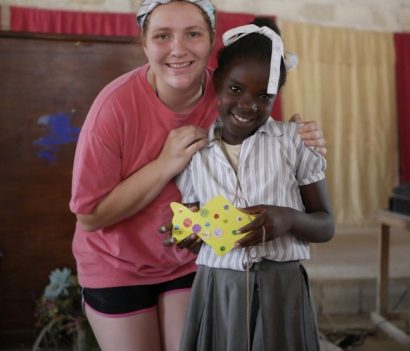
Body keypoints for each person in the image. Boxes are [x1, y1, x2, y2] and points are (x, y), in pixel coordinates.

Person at [69, 1, 326, 351]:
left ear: (211, 41)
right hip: (117, 264)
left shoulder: (232, 89)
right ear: (145, 43)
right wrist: (165, 163)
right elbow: (89, 215)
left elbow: (271, 145)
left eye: (192, 34)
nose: (178, 48)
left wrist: (302, 134)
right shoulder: (114, 108)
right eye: (162, 36)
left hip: (189, 262)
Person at [174, 17, 335, 351]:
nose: (248, 105)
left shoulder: (294, 143)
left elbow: (325, 224)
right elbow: (193, 232)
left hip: (281, 288)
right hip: (219, 289)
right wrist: (187, 232)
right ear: (218, 80)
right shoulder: (194, 154)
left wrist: (289, 218)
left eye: (264, 96)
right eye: (236, 89)